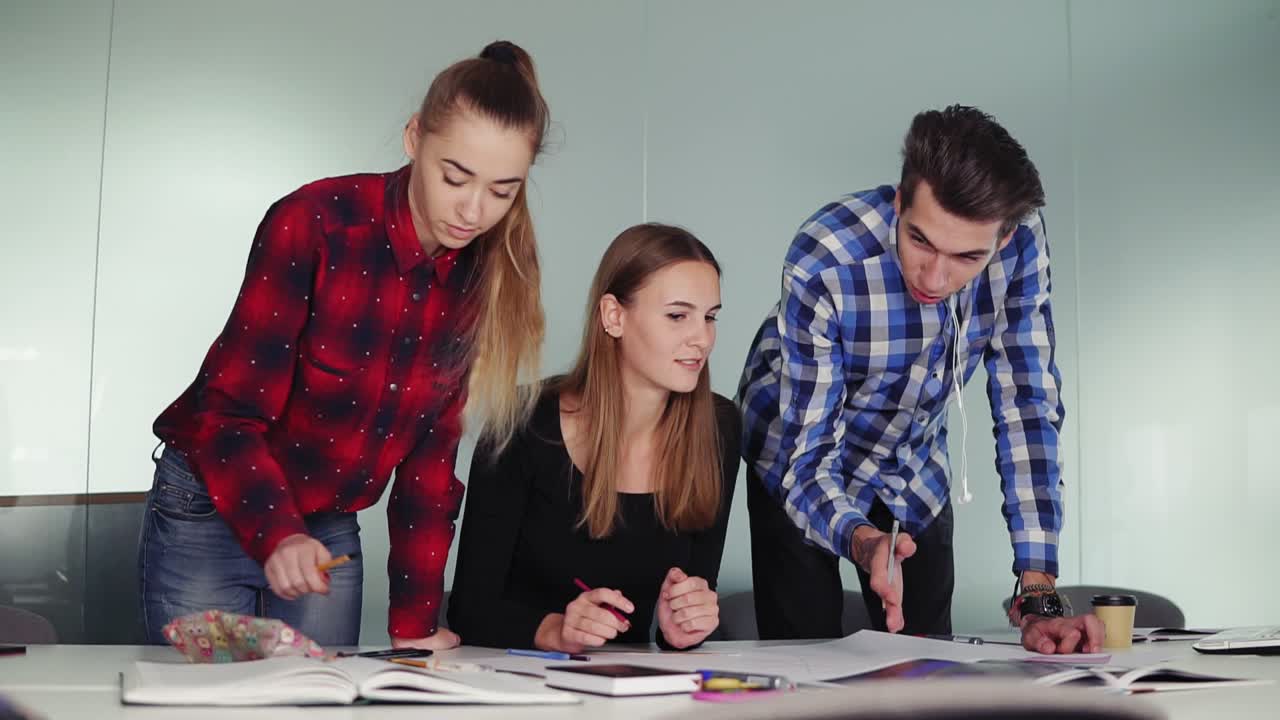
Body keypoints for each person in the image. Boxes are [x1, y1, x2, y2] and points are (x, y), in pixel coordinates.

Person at [139, 40, 550, 650]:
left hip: (326, 525)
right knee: (203, 706)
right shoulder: (315, 223)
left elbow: (429, 463)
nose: (473, 210)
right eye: (454, 177)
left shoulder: (484, 274)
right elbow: (227, 412)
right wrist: (278, 533)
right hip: (210, 509)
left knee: (321, 703)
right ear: (415, 138)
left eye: (502, 191)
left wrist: (415, 625)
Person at [737, 105, 1103, 654]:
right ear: (900, 203)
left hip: (912, 464)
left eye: (966, 257)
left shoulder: (1022, 245)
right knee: (804, 664)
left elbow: (1026, 405)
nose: (935, 278)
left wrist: (1038, 594)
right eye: (921, 241)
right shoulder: (827, 257)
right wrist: (861, 542)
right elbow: (806, 455)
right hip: (797, 460)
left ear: (1001, 241)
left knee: (928, 666)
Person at [447, 223, 740, 652]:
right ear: (613, 316)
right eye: (678, 315)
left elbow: (693, 595)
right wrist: (556, 629)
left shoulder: (719, 426)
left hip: (643, 693)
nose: (702, 339)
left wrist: (685, 626)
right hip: (526, 689)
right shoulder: (522, 423)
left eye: (710, 317)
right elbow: (471, 609)